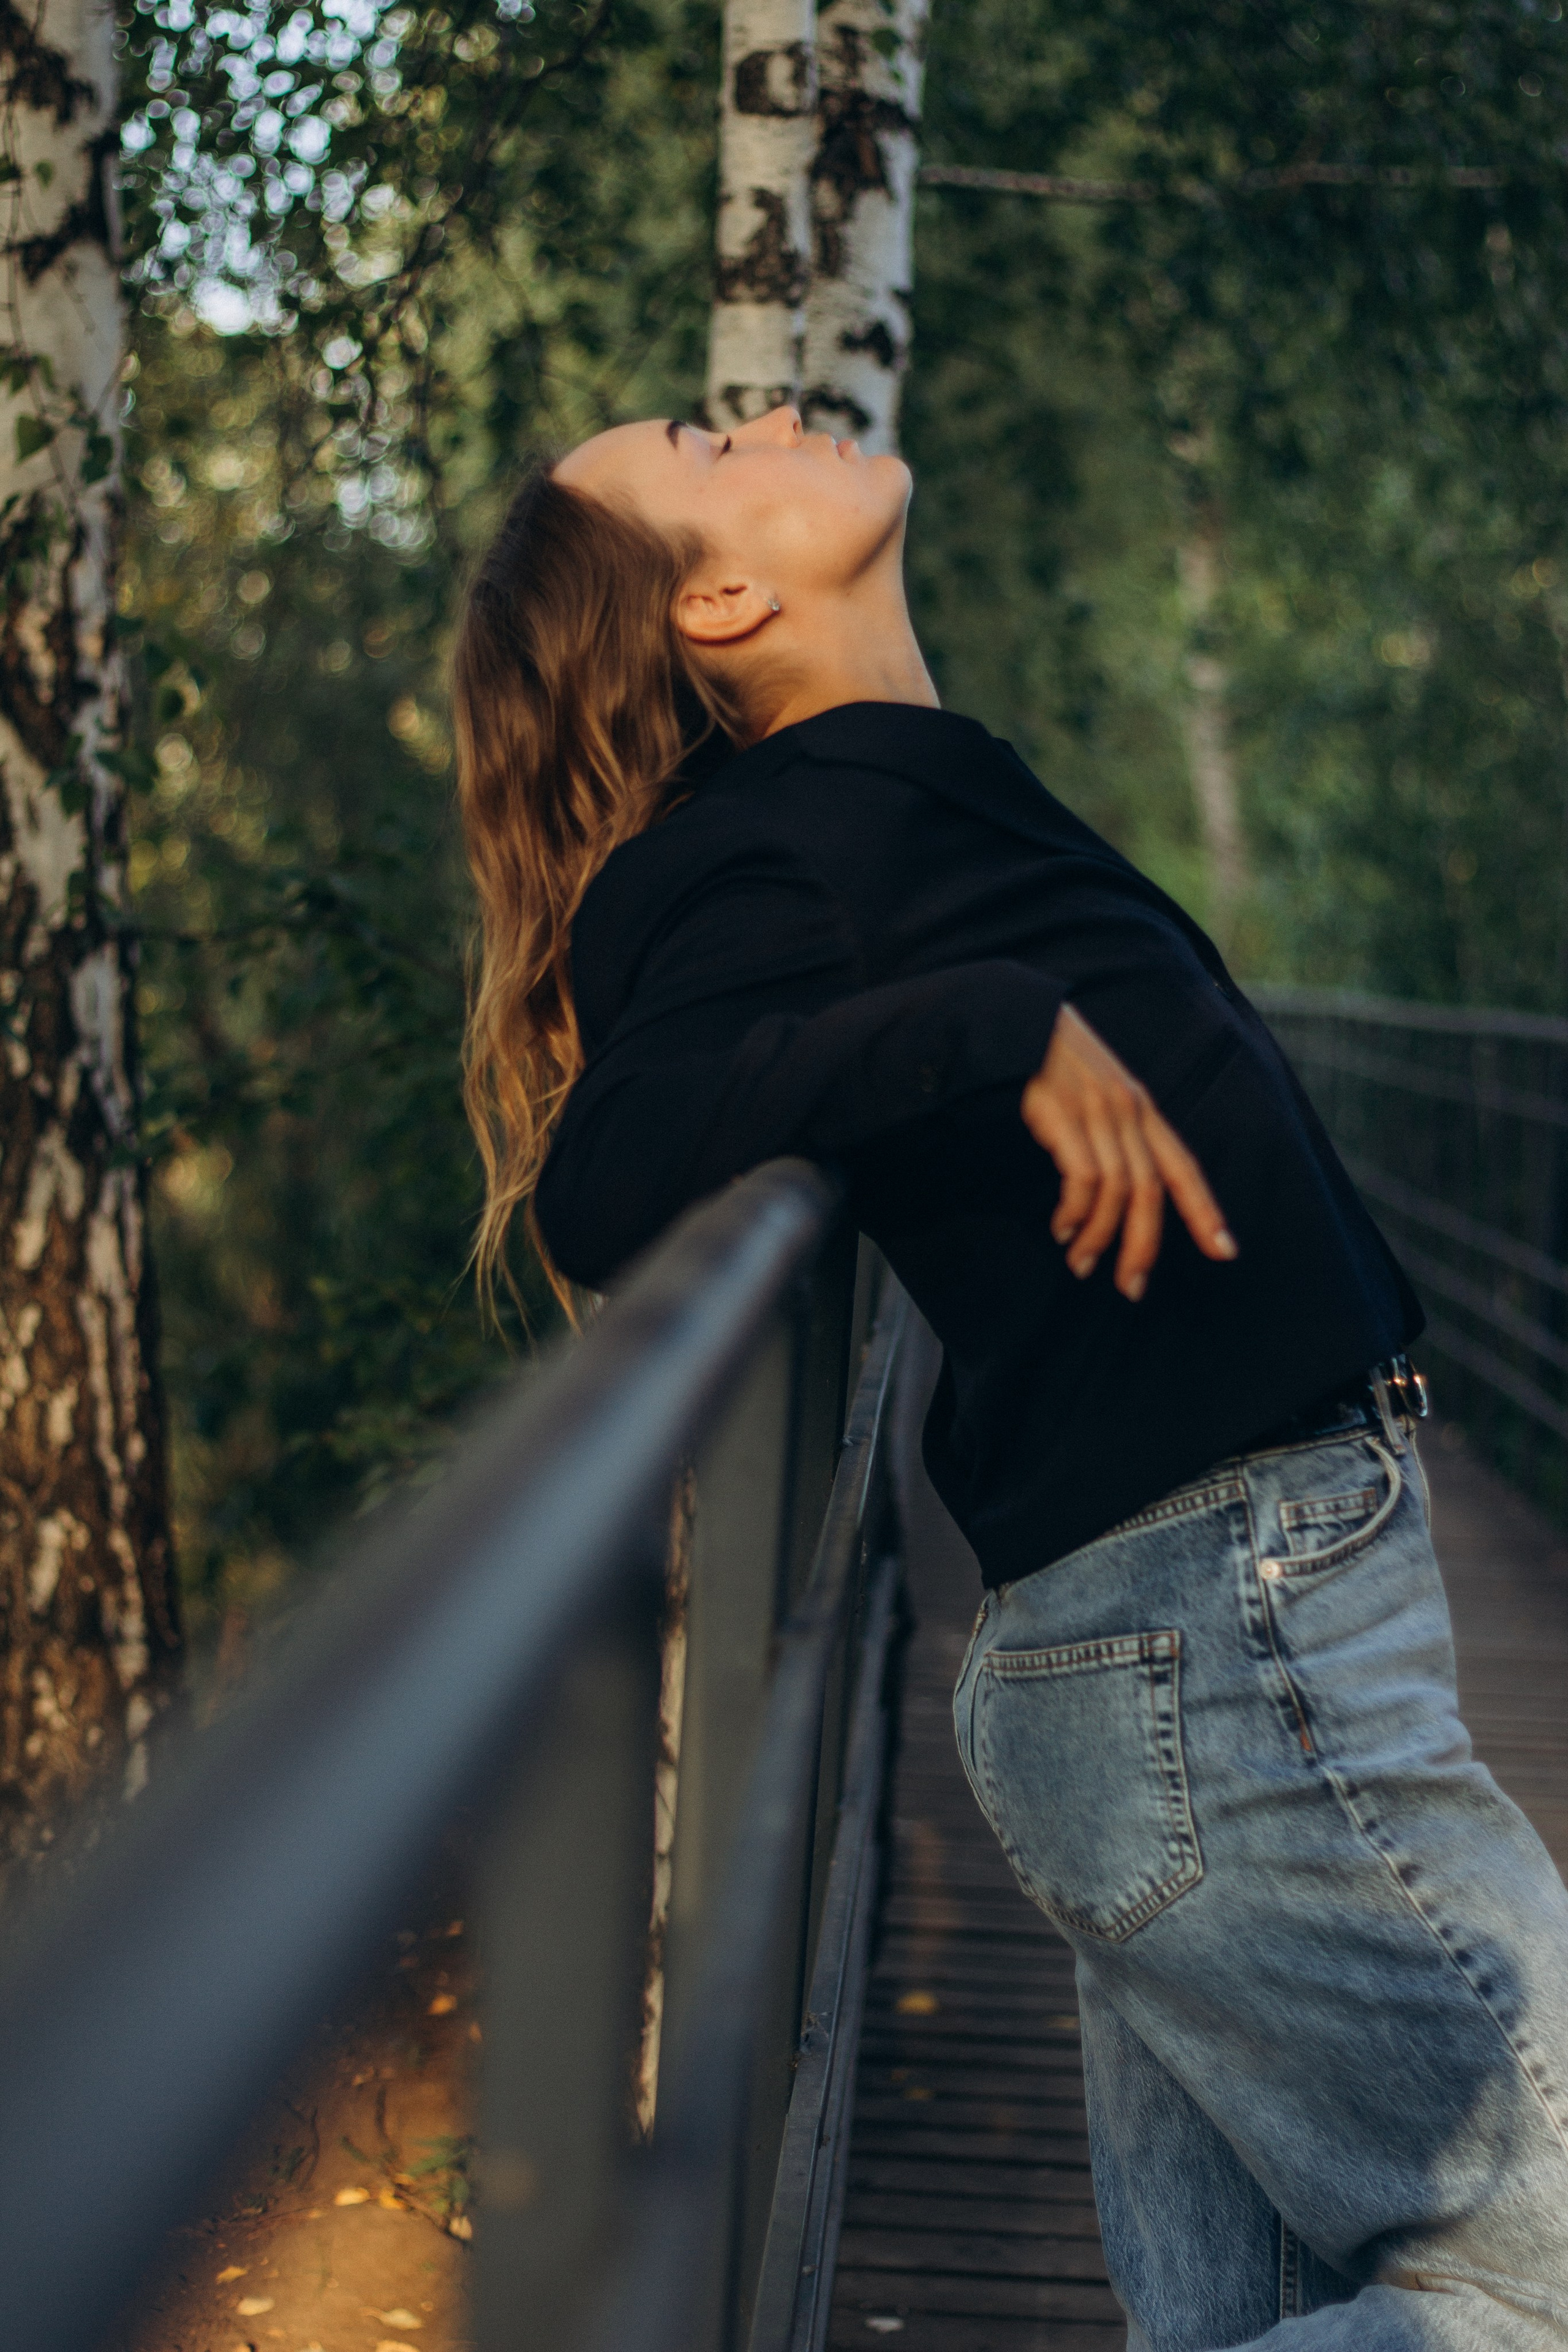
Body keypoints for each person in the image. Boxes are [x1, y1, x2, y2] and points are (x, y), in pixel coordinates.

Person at [453, 404, 1568, 2349]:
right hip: (1222, 1640)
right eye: (713, 441)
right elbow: (609, 1173)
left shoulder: (901, 795)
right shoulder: (770, 846)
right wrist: (983, 1024)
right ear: (716, 599)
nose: (777, 405)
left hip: (1199, 1637)